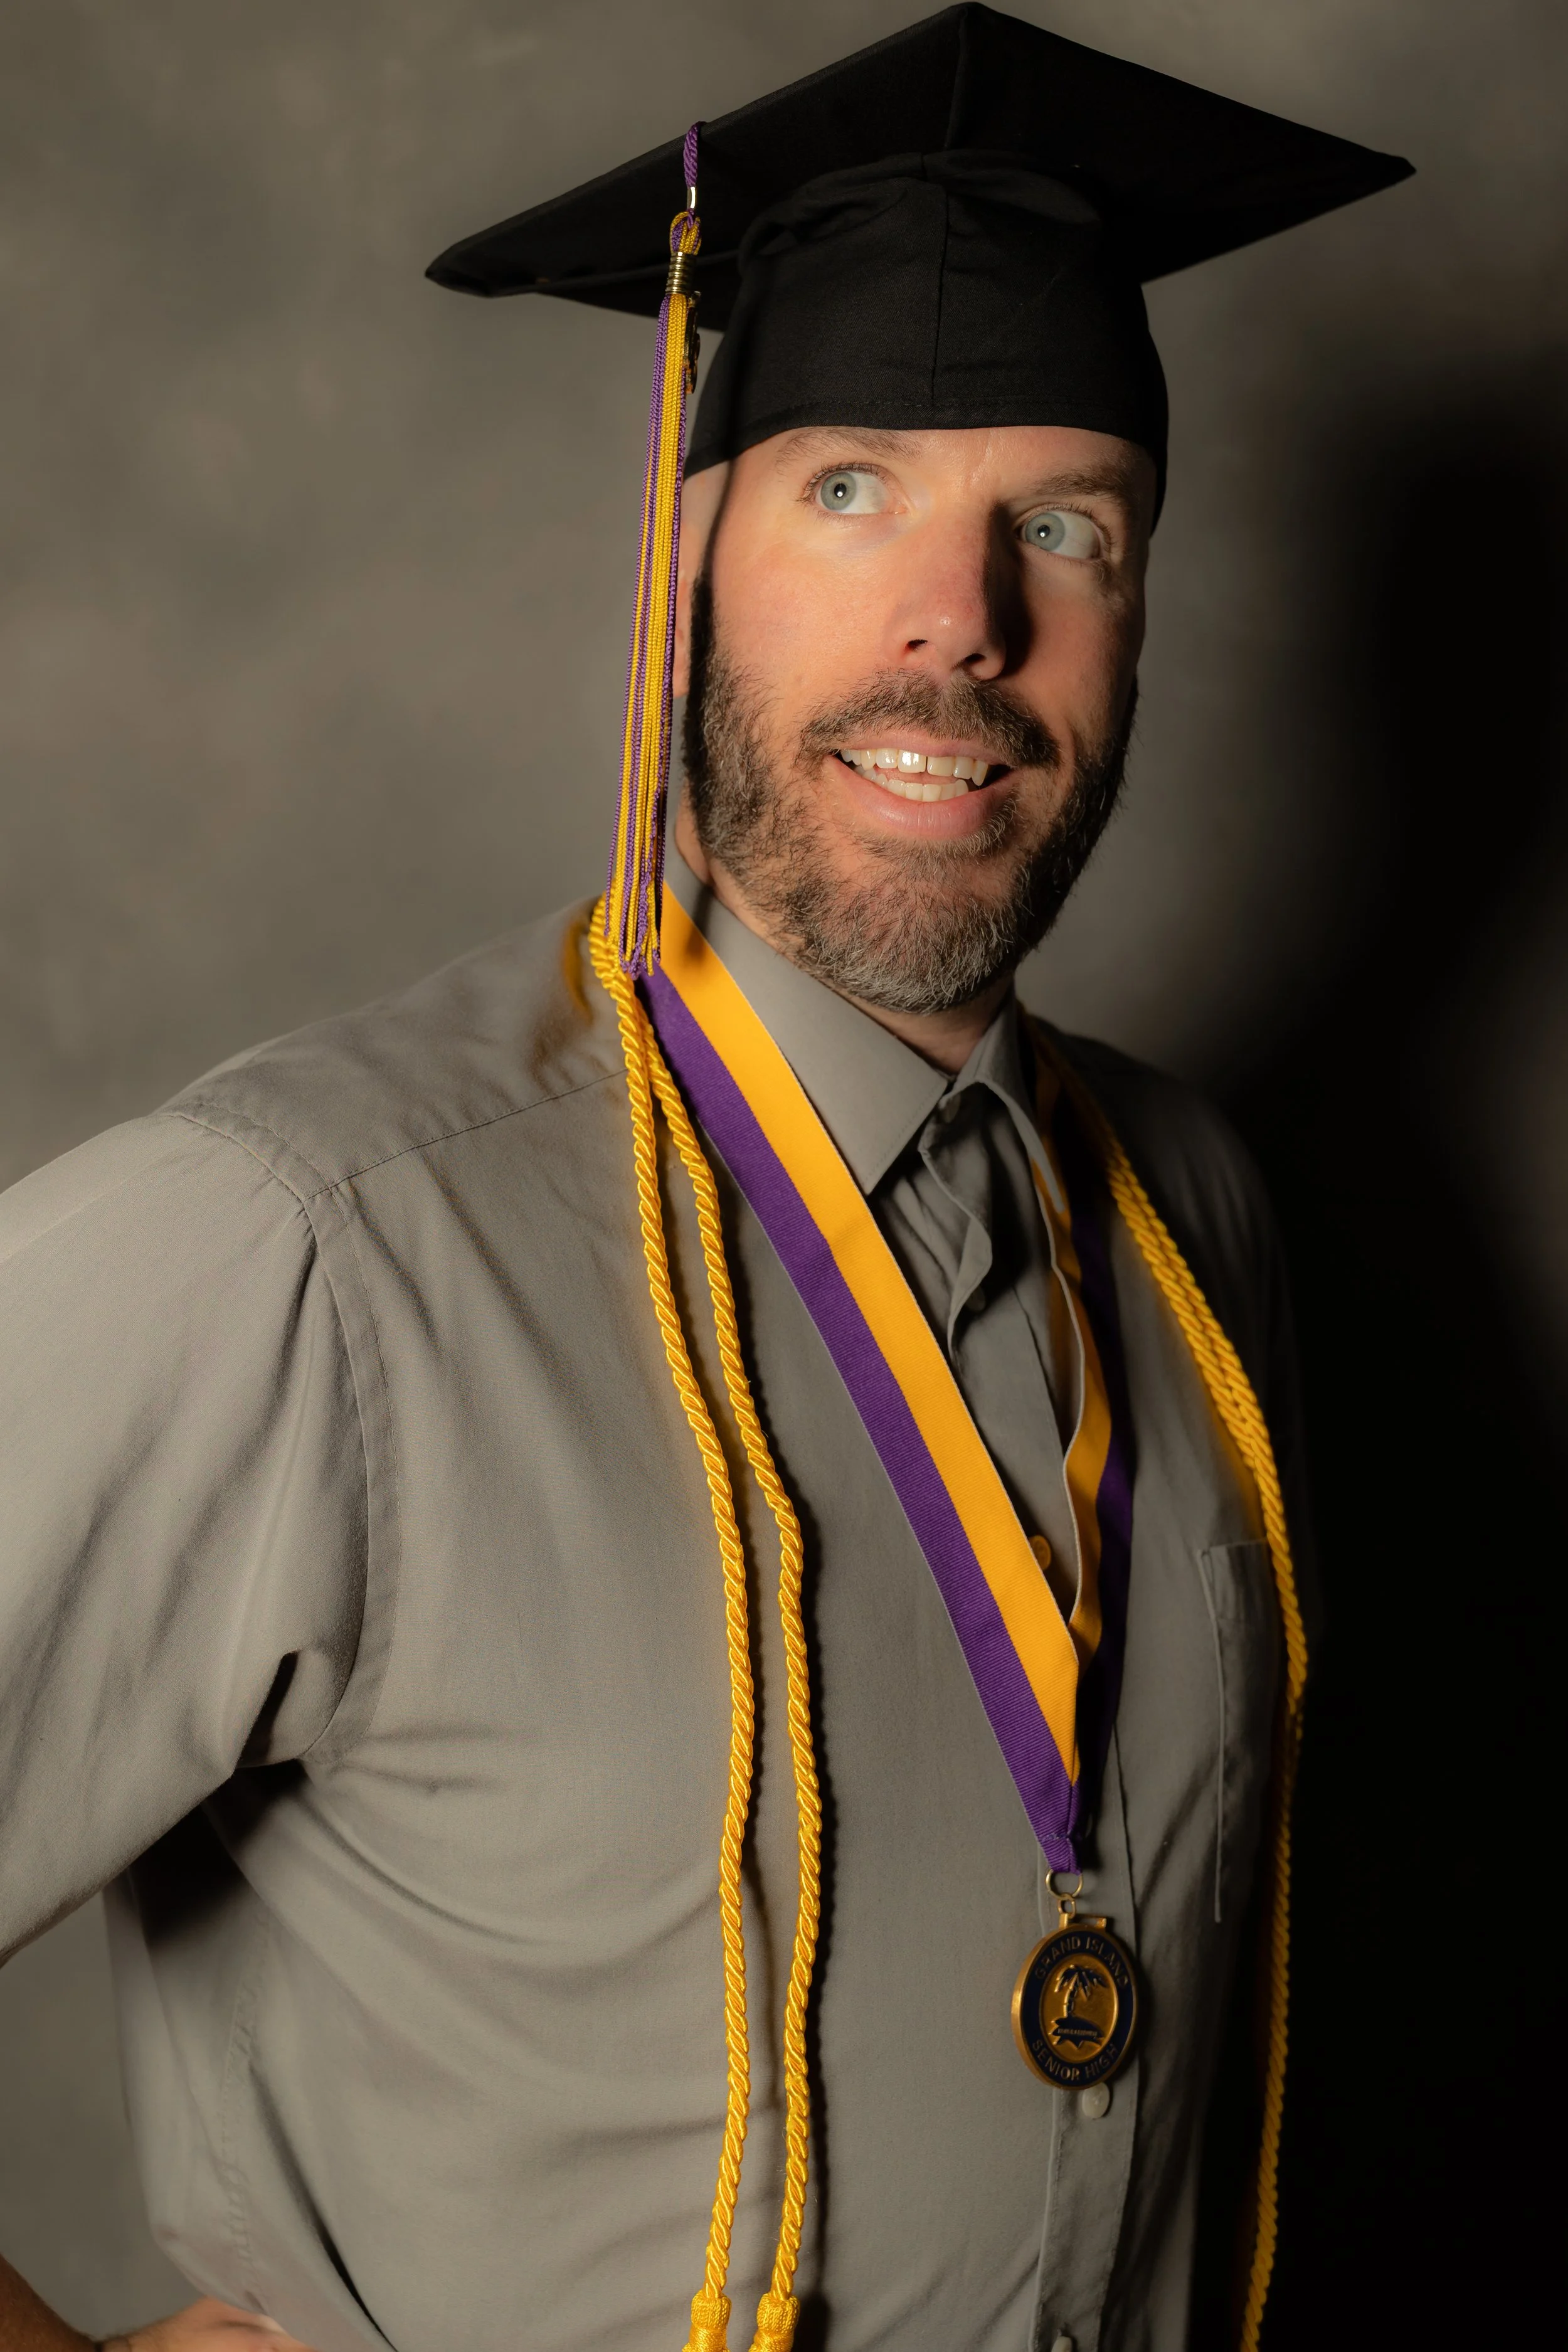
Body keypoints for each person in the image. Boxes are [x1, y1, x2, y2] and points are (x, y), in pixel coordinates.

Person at [0, 11, 1411, 2352]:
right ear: (688, 556)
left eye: (1062, 520)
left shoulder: (1193, 1218)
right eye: (849, 487)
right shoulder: (314, 1249)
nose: (961, 617)